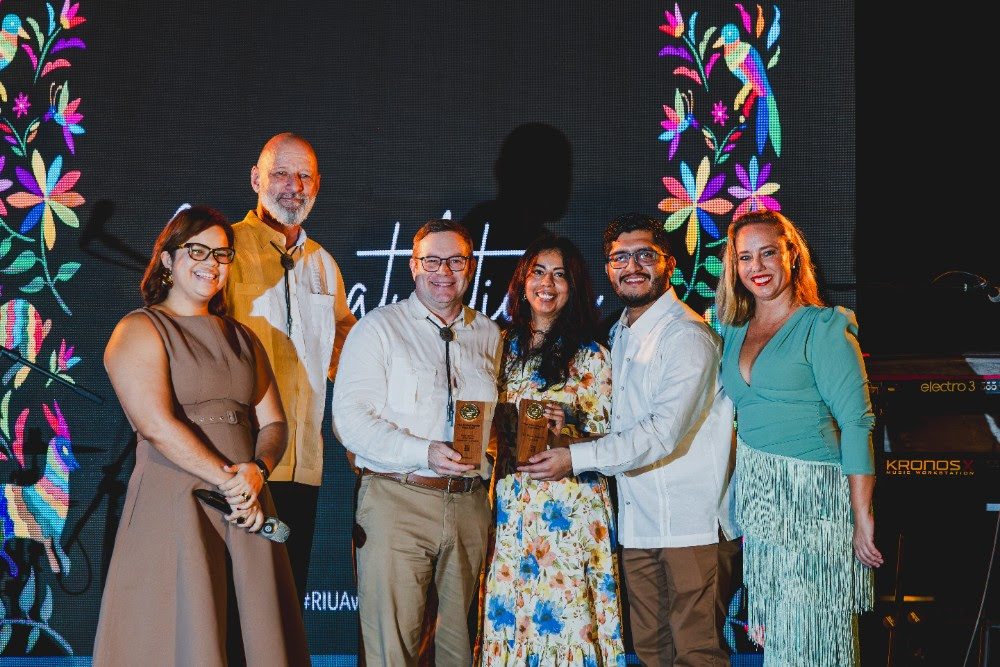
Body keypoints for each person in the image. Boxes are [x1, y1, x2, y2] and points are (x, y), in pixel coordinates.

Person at [93, 205, 309, 665]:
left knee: (254, 635)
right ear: (167, 260)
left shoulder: (244, 337)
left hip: (247, 504)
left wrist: (257, 472)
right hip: (177, 499)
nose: (211, 263)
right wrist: (233, 482)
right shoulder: (140, 328)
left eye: (221, 254)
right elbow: (154, 424)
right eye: (197, 251)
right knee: (177, 636)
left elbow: (274, 423)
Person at [522, 213, 740, 666]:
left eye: (644, 255)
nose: (632, 267)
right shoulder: (618, 334)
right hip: (638, 526)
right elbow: (621, 428)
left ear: (669, 264)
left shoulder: (687, 336)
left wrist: (574, 456)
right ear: (608, 269)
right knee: (652, 653)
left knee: (697, 654)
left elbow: (660, 433)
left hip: (691, 525)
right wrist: (572, 430)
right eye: (619, 258)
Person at [714, 209, 882, 666]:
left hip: (814, 501)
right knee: (778, 643)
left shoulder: (824, 328)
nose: (757, 267)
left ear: (791, 255)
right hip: (761, 505)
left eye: (768, 253)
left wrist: (861, 515)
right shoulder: (733, 330)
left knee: (815, 638)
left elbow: (857, 423)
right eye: (745, 257)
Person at [331, 218, 502, 666]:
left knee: (458, 648)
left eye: (455, 261)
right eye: (431, 261)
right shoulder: (378, 328)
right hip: (398, 499)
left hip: (469, 504)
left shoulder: (489, 333)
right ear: (413, 266)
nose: (443, 271)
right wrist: (422, 451)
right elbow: (349, 421)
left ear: (470, 266)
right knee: (393, 648)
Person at [479, 235, 626, 666]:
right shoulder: (498, 348)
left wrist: (571, 424)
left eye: (560, 275)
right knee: (512, 615)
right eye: (538, 272)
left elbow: (616, 442)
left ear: (573, 287)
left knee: (566, 618)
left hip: (570, 512)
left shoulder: (593, 356)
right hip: (511, 509)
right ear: (522, 281)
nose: (547, 283)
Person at [224, 132, 356, 603]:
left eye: (304, 176)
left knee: (284, 603)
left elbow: (349, 359)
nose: (293, 187)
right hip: (241, 467)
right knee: (236, 606)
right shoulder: (225, 251)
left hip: (303, 469)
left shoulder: (324, 264)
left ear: (317, 184)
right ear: (256, 179)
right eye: (281, 173)